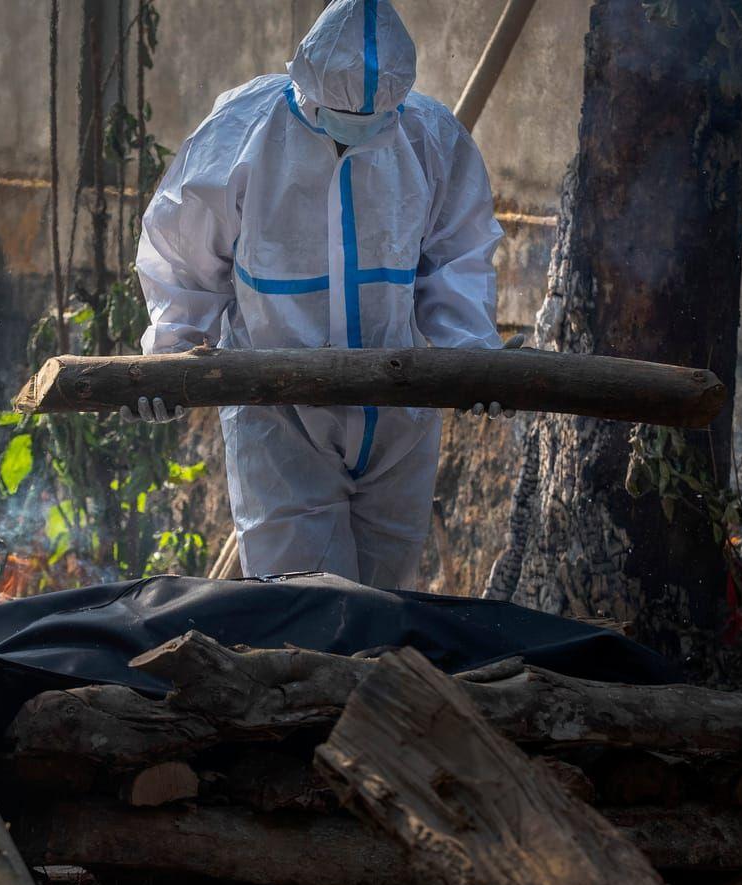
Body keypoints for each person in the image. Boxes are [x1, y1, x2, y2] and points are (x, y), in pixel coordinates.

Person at [126, 0, 515, 590]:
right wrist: (171, 357)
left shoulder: (430, 138)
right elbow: (181, 255)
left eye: (374, 116)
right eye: (337, 113)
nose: (355, 125)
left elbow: (457, 260)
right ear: (304, 83)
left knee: (386, 609)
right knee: (301, 610)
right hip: (278, 418)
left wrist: (474, 358)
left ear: (397, 99)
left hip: (399, 417)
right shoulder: (241, 135)